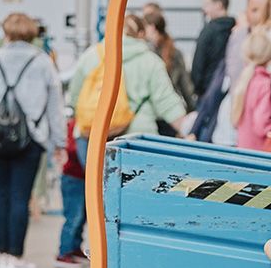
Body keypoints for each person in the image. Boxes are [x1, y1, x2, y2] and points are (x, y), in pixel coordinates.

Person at [0, 12, 66, 268]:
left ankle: (2, 256)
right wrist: (58, 141)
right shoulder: (43, 62)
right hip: (31, 138)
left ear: (6, 32)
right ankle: (16, 257)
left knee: (1, 194)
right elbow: (54, 106)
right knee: (19, 196)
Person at [67, 12, 188, 166]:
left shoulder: (92, 56)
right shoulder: (150, 61)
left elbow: (74, 96)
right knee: (137, 187)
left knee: (98, 189)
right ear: (140, 34)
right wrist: (188, 129)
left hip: (93, 137)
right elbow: (166, 102)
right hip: (136, 140)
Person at [209, 0, 270, 148]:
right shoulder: (238, 37)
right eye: (253, 9)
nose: (256, 15)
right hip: (239, 124)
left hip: (244, 129)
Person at [229, 31, 271, 151]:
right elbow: (261, 125)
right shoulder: (265, 84)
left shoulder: (244, 81)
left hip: (243, 148)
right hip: (260, 152)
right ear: (269, 58)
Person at [142, 8, 193, 109]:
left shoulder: (147, 53)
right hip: (172, 107)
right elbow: (185, 86)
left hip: (154, 108)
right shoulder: (175, 52)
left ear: (152, 27)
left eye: (144, 27)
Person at [189, 0, 235, 98]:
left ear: (219, 5)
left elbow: (198, 63)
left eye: (207, 4)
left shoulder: (208, 31)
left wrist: (198, 89)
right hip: (229, 88)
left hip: (207, 90)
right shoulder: (236, 28)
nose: (204, 9)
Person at [55, 122, 87, 268]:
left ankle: (75, 247)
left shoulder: (84, 125)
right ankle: (64, 253)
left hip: (81, 178)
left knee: (81, 216)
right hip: (73, 178)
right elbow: (74, 150)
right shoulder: (76, 126)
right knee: (73, 217)